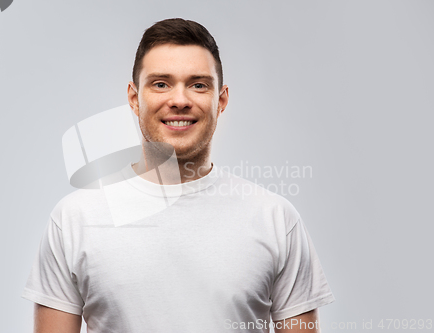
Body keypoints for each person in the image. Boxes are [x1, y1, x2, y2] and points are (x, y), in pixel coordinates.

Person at [22, 18, 335, 332]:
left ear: (221, 100)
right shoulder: (75, 219)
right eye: (161, 83)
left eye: (198, 84)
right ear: (134, 98)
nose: (180, 100)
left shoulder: (276, 220)